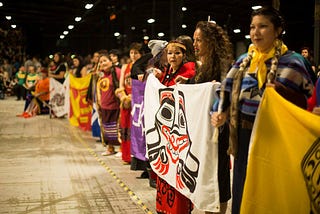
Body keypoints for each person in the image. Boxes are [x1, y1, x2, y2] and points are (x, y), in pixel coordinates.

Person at [211, 7, 314, 214]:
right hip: (244, 133)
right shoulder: (244, 61)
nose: (255, 32)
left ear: (277, 31)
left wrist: (282, 92)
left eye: (263, 26)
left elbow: (311, 101)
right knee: (243, 183)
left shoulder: (294, 62)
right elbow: (226, 89)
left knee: (271, 186)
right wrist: (219, 111)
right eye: (252, 27)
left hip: (276, 136)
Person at [191, 21, 234, 214]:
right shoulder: (203, 67)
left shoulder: (225, 66)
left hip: (219, 132)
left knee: (218, 177)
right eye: (194, 40)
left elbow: (230, 95)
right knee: (206, 174)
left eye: (199, 40)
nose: (195, 44)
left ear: (211, 42)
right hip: (204, 133)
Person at [153, 40, 196, 214]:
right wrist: (156, 80)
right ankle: (164, 208)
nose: (173, 56)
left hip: (181, 131)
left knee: (179, 171)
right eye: (170, 53)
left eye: (177, 53)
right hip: (165, 132)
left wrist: (187, 82)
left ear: (184, 55)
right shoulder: (166, 72)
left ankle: (180, 209)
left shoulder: (190, 69)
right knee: (165, 168)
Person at [114, 43, 143, 164]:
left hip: (138, 103)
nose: (133, 55)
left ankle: (136, 156)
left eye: (136, 53)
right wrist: (124, 98)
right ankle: (126, 155)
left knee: (136, 130)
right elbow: (120, 86)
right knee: (125, 129)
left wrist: (134, 97)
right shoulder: (126, 67)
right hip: (126, 103)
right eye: (131, 53)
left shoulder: (144, 67)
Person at [96, 52, 121, 156]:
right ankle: (110, 148)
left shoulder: (118, 72)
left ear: (111, 61)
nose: (103, 63)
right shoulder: (101, 75)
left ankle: (121, 149)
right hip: (105, 106)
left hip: (116, 106)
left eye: (105, 60)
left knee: (117, 128)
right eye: (101, 62)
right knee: (107, 128)